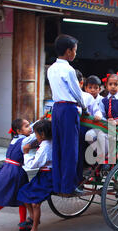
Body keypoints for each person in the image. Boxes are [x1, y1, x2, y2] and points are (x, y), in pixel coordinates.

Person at [47, 34, 86, 196]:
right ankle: (69, 186)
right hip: (69, 109)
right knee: (70, 148)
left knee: (58, 147)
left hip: (56, 109)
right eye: (75, 51)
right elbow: (77, 93)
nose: (75, 54)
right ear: (69, 51)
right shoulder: (68, 70)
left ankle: (58, 185)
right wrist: (84, 106)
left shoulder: (51, 68)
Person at [17, 120, 53, 231]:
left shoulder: (46, 146)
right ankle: (33, 218)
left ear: (42, 135)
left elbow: (34, 164)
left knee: (35, 203)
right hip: (42, 174)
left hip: (47, 176)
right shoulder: (45, 144)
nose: (35, 135)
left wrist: (26, 154)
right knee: (24, 192)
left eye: (36, 133)